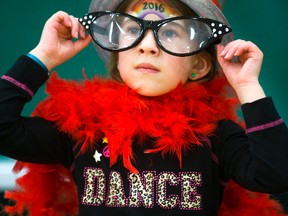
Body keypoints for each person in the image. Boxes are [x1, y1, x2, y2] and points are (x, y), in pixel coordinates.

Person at [0, 0, 288, 215]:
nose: (148, 45)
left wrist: (248, 86)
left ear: (198, 65)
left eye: (172, 33)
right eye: (133, 29)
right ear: (117, 51)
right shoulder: (81, 130)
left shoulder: (216, 137)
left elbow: (276, 175)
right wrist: (43, 57)